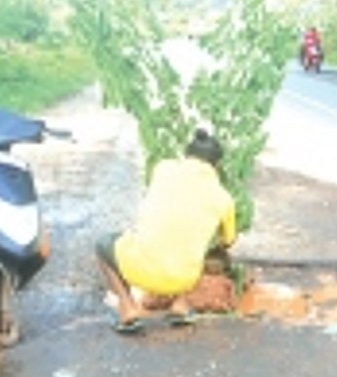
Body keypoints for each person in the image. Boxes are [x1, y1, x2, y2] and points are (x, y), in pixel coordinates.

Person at [95, 129, 237, 334]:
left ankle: (127, 310)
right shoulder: (224, 198)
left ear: (187, 155)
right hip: (184, 278)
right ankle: (181, 306)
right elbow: (228, 241)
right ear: (217, 165)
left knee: (102, 244)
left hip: (138, 270)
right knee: (214, 251)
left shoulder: (163, 168)